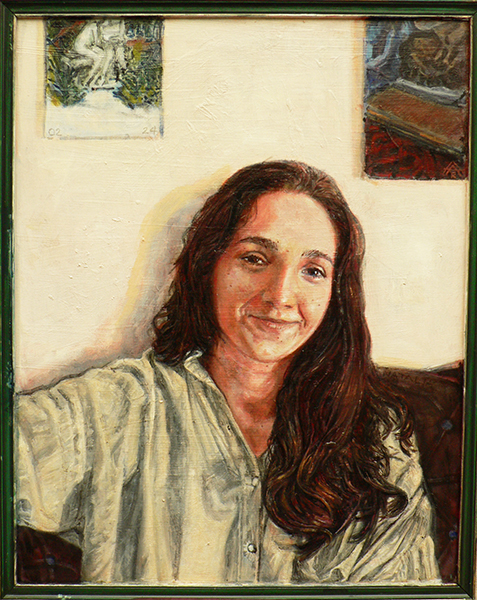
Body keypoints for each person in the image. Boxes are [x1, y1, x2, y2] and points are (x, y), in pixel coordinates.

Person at [16, 161, 440, 584]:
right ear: (209, 266)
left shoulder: (377, 435)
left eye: (313, 271)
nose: (280, 295)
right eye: (255, 259)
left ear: (336, 293)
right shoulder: (113, 409)